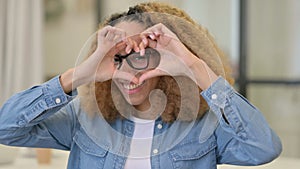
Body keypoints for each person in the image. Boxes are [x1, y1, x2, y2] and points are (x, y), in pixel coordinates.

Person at [0, 2, 282, 169]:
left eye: (142, 57)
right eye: (118, 58)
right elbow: (6, 127)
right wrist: (80, 74)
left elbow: (263, 147)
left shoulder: (202, 128)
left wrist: (194, 66)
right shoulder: (84, 120)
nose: (127, 73)